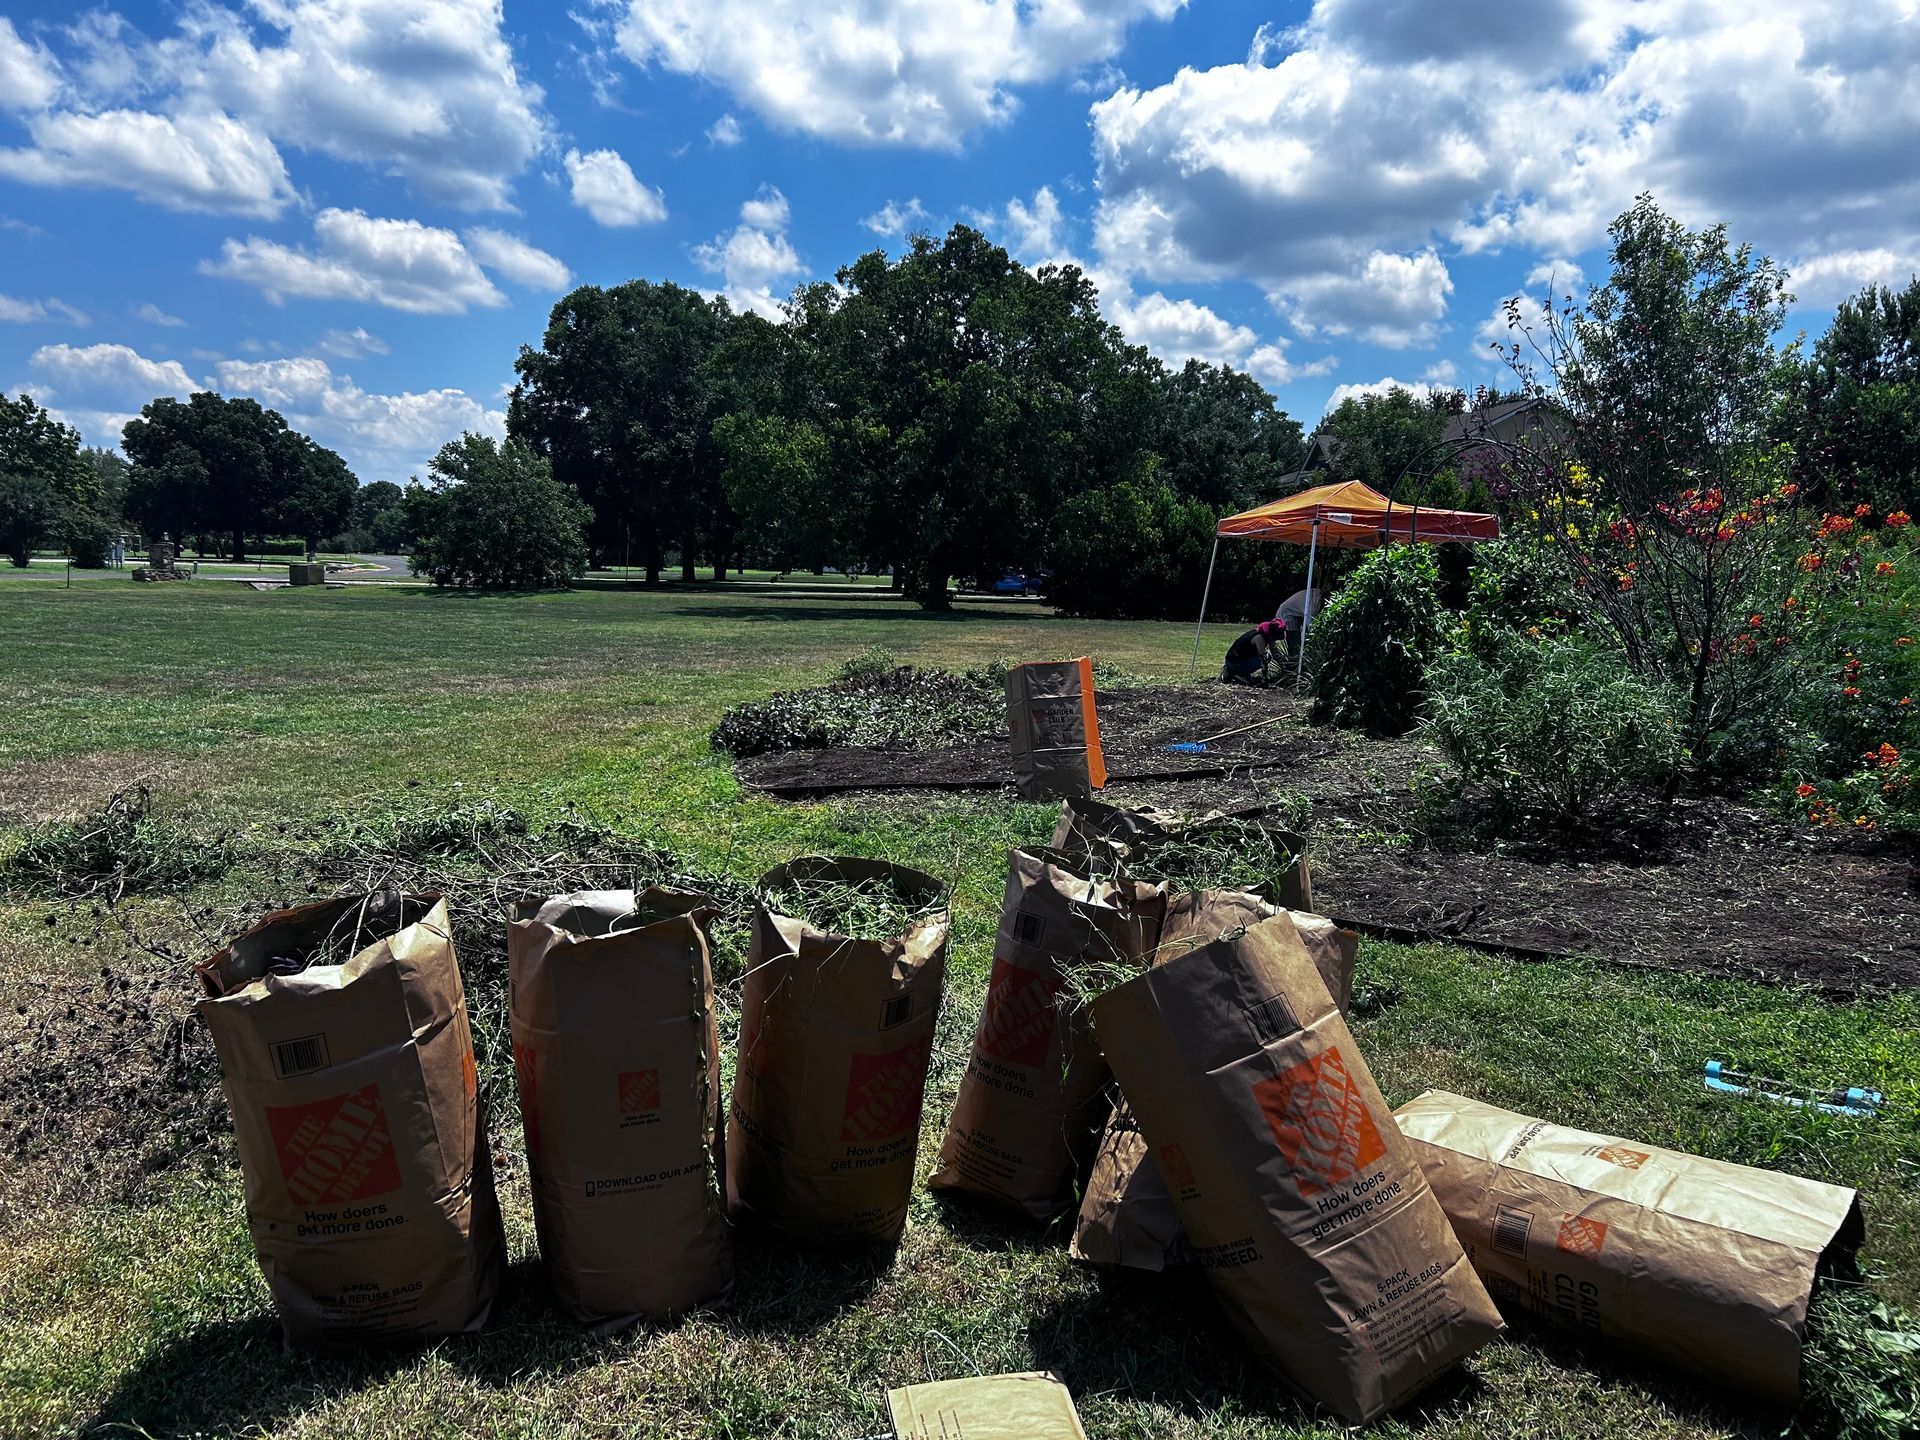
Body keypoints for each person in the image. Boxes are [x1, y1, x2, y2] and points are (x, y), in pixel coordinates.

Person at [1221, 619, 1287, 685]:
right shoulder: (1259, 638)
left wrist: (1284, 666)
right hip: (1234, 663)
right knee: (1266, 657)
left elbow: (1275, 653)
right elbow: (1263, 659)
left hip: (1232, 660)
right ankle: (1238, 673)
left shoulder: (1263, 633)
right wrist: (1265, 679)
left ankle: (1233, 671)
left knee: (1266, 657)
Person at [1273, 587, 1326, 658]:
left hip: (1291, 612)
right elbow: (1310, 625)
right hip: (1286, 614)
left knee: (1302, 638)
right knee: (1295, 643)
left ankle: (1301, 656)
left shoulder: (1314, 596)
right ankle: (1296, 660)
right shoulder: (1311, 603)